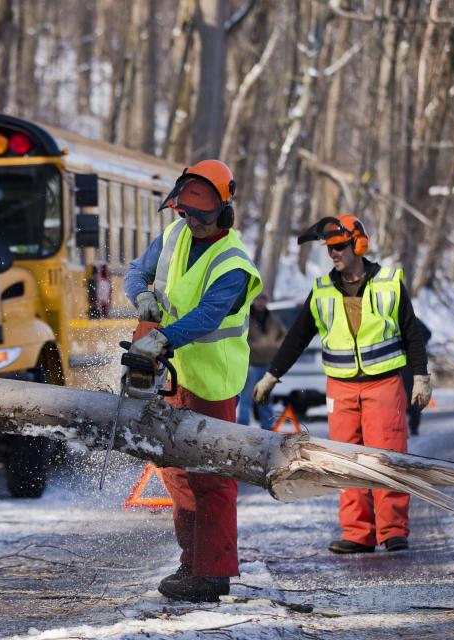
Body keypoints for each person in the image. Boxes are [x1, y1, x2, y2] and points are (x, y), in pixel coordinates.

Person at [123, 159, 261, 602]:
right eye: (186, 213)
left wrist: (162, 338)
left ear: (223, 209)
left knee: (212, 475)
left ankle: (215, 572)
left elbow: (207, 317)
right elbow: (134, 271)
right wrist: (140, 295)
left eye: (201, 216)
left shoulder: (234, 263)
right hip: (171, 372)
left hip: (213, 380)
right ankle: (192, 562)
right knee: (175, 470)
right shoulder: (173, 235)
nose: (192, 223)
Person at [253, 214, 431, 554]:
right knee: (345, 461)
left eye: (339, 246)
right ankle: (358, 533)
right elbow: (297, 337)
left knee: (388, 457)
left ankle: (393, 530)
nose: (334, 253)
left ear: (358, 245)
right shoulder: (321, 292)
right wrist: (272, 375)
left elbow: (412, 333)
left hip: (384, 385)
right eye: (330, 248)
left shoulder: (390, 284)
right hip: (341, 387)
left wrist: (421, 376)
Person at [237, 293, 286, 429]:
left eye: (263, 299)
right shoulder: (247, 316)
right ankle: (242, 427)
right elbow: (239, 334)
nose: (260, 302)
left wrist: (278, 343)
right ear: (254, 300)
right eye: (258, 299)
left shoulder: (273, 319)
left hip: (268, 365)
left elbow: (284, 334)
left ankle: (268, 429)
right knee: (246, 398)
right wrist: (249, 345)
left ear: (266, 301)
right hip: (251, 364)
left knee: (265, 399)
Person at [401, 319, 432, 435]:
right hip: (400, 363)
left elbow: (428, 333)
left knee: (412, 395)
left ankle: (413, 426)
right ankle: (408, 426)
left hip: (410, 363)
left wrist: (416, 346)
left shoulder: (412, 319)